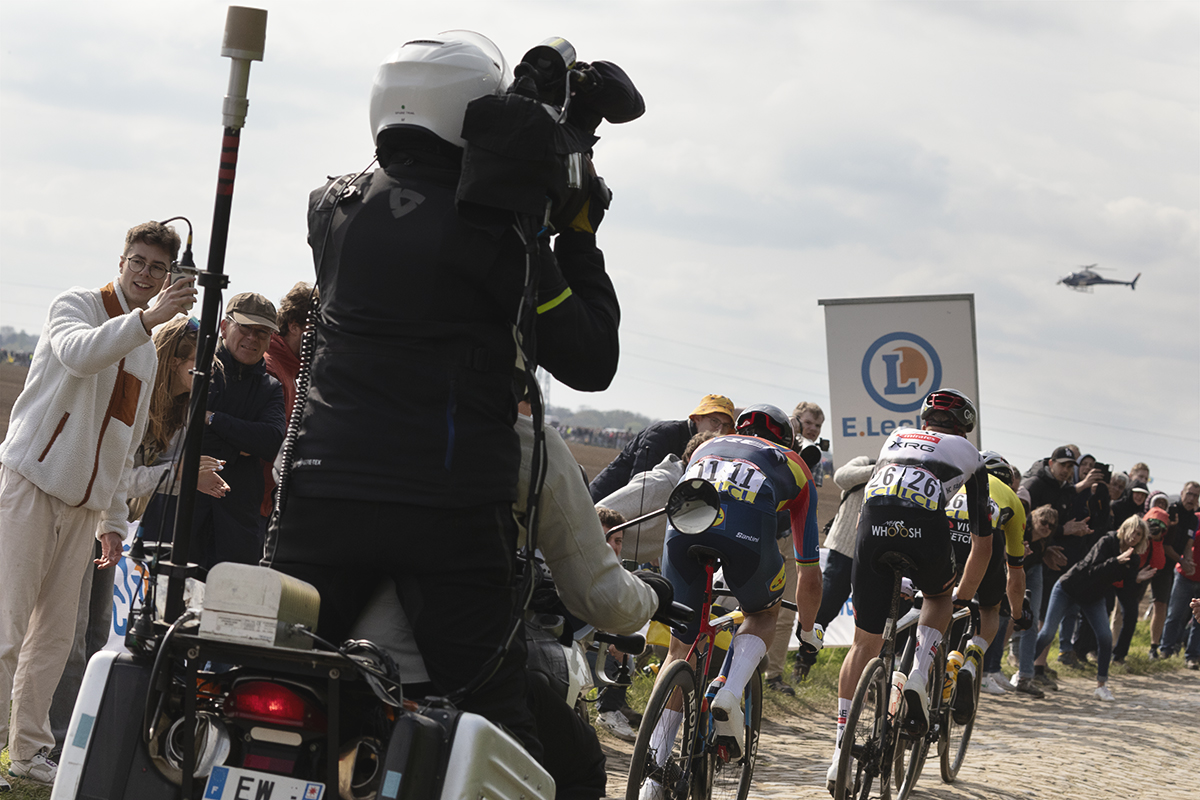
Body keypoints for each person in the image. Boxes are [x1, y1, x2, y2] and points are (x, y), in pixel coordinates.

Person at [270, 31, 639, 762]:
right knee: (495, 720)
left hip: (319, 495)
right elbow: (591, 360)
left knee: (276, 683)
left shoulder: (331, 208)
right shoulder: (503, 236)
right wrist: (576, 235)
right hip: (445, 507)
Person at [0, 221, 193, 789]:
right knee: (7, 626)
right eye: (139, 261)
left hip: (84, 510)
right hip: (31, 487)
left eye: (158, 268)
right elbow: (80, 356)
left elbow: (122, 443)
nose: (145, 274)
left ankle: (30, 749)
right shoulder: (76, 306)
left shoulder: (145, 356)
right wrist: (148, 321)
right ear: (121, 260)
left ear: (167, 276)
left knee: (57, 638)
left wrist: (111, 520)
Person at [46, 316, 228, 759]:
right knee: (68, 638)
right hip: (83, 517)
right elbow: (116, 478)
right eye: (193, 370)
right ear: (171, 362)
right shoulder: (137, 404)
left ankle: (78, 736)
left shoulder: (178, 412)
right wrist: (178, 475)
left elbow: (141, 481)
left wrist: (186, 477)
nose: (198, 382)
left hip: (112, 524)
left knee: (95, 633)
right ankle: (57, 741)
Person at [640, 404, 820, 800]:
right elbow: (808, 571)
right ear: (786, 439)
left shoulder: (710, 445)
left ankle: (652, 779)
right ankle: (731, 689)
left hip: (685, 527)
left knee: (680, 649)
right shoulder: (793, 464)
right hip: (747, 538)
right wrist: (807, 632)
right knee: (762, 611)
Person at [827, 388, 991, 792]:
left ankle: (838, 755)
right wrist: (964, 597)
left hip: (873, 527)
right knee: (938, 597)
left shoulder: (896, 437)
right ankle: (918, 674)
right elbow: (982, 544)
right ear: (965, 430)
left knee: (862, 644)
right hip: (924, 528)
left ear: (924, 422)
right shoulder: (972, 457)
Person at [189, 293, 285, 571]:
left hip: (238, 525)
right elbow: (182, 428)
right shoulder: (196, 371)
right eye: (245, 328)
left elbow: (271, 442)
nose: (252, 338)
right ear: (223, 326)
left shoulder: (271, 387)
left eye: (262, 332)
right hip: (184, 515)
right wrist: (240, 446)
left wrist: (213, 419)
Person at [943, 450, 1028, 715]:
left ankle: (914, 661)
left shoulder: (956, 478)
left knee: (934, 596)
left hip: (943, 532)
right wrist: (1017, 613)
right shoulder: (1013, 499)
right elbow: (1016, 571)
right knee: (989, 608)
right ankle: (971, 661)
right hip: (985, 540)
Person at [1034, 516, 1155, 700]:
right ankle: (1024, 671)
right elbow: (1092, 570)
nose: (1134, 536)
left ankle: (1101, 686)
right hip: (1069, 588)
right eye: (1132, 531)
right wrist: (1117, 560)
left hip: (1093, 597)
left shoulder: (1134, 558)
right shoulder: (1107, 541)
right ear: (1124, 529)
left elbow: (1126, 590)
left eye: (1139, 534)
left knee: (1105, 637)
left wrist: (1137, 579)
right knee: (1048, 633)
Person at [763, 400, 826, 696]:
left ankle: (772, 675)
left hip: (791, 532)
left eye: (817, 425)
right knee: (737, 604)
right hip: (762, 529)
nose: (811, 430)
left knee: (787, 609)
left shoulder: (813, 456)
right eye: (805, 423)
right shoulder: (771, 443)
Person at [588, 394, 734, 502]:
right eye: (715, 421)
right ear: (697, 417)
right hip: (605, 500)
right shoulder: (663, 433)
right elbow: (640, 485)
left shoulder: (709, 448)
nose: (720, 430)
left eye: (726, 425)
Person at [259, 282, 317, 521]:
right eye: (316, 329)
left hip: (266, 500)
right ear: (294, 327)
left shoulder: (293, 368)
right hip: (255, 499)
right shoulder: (271, 366)